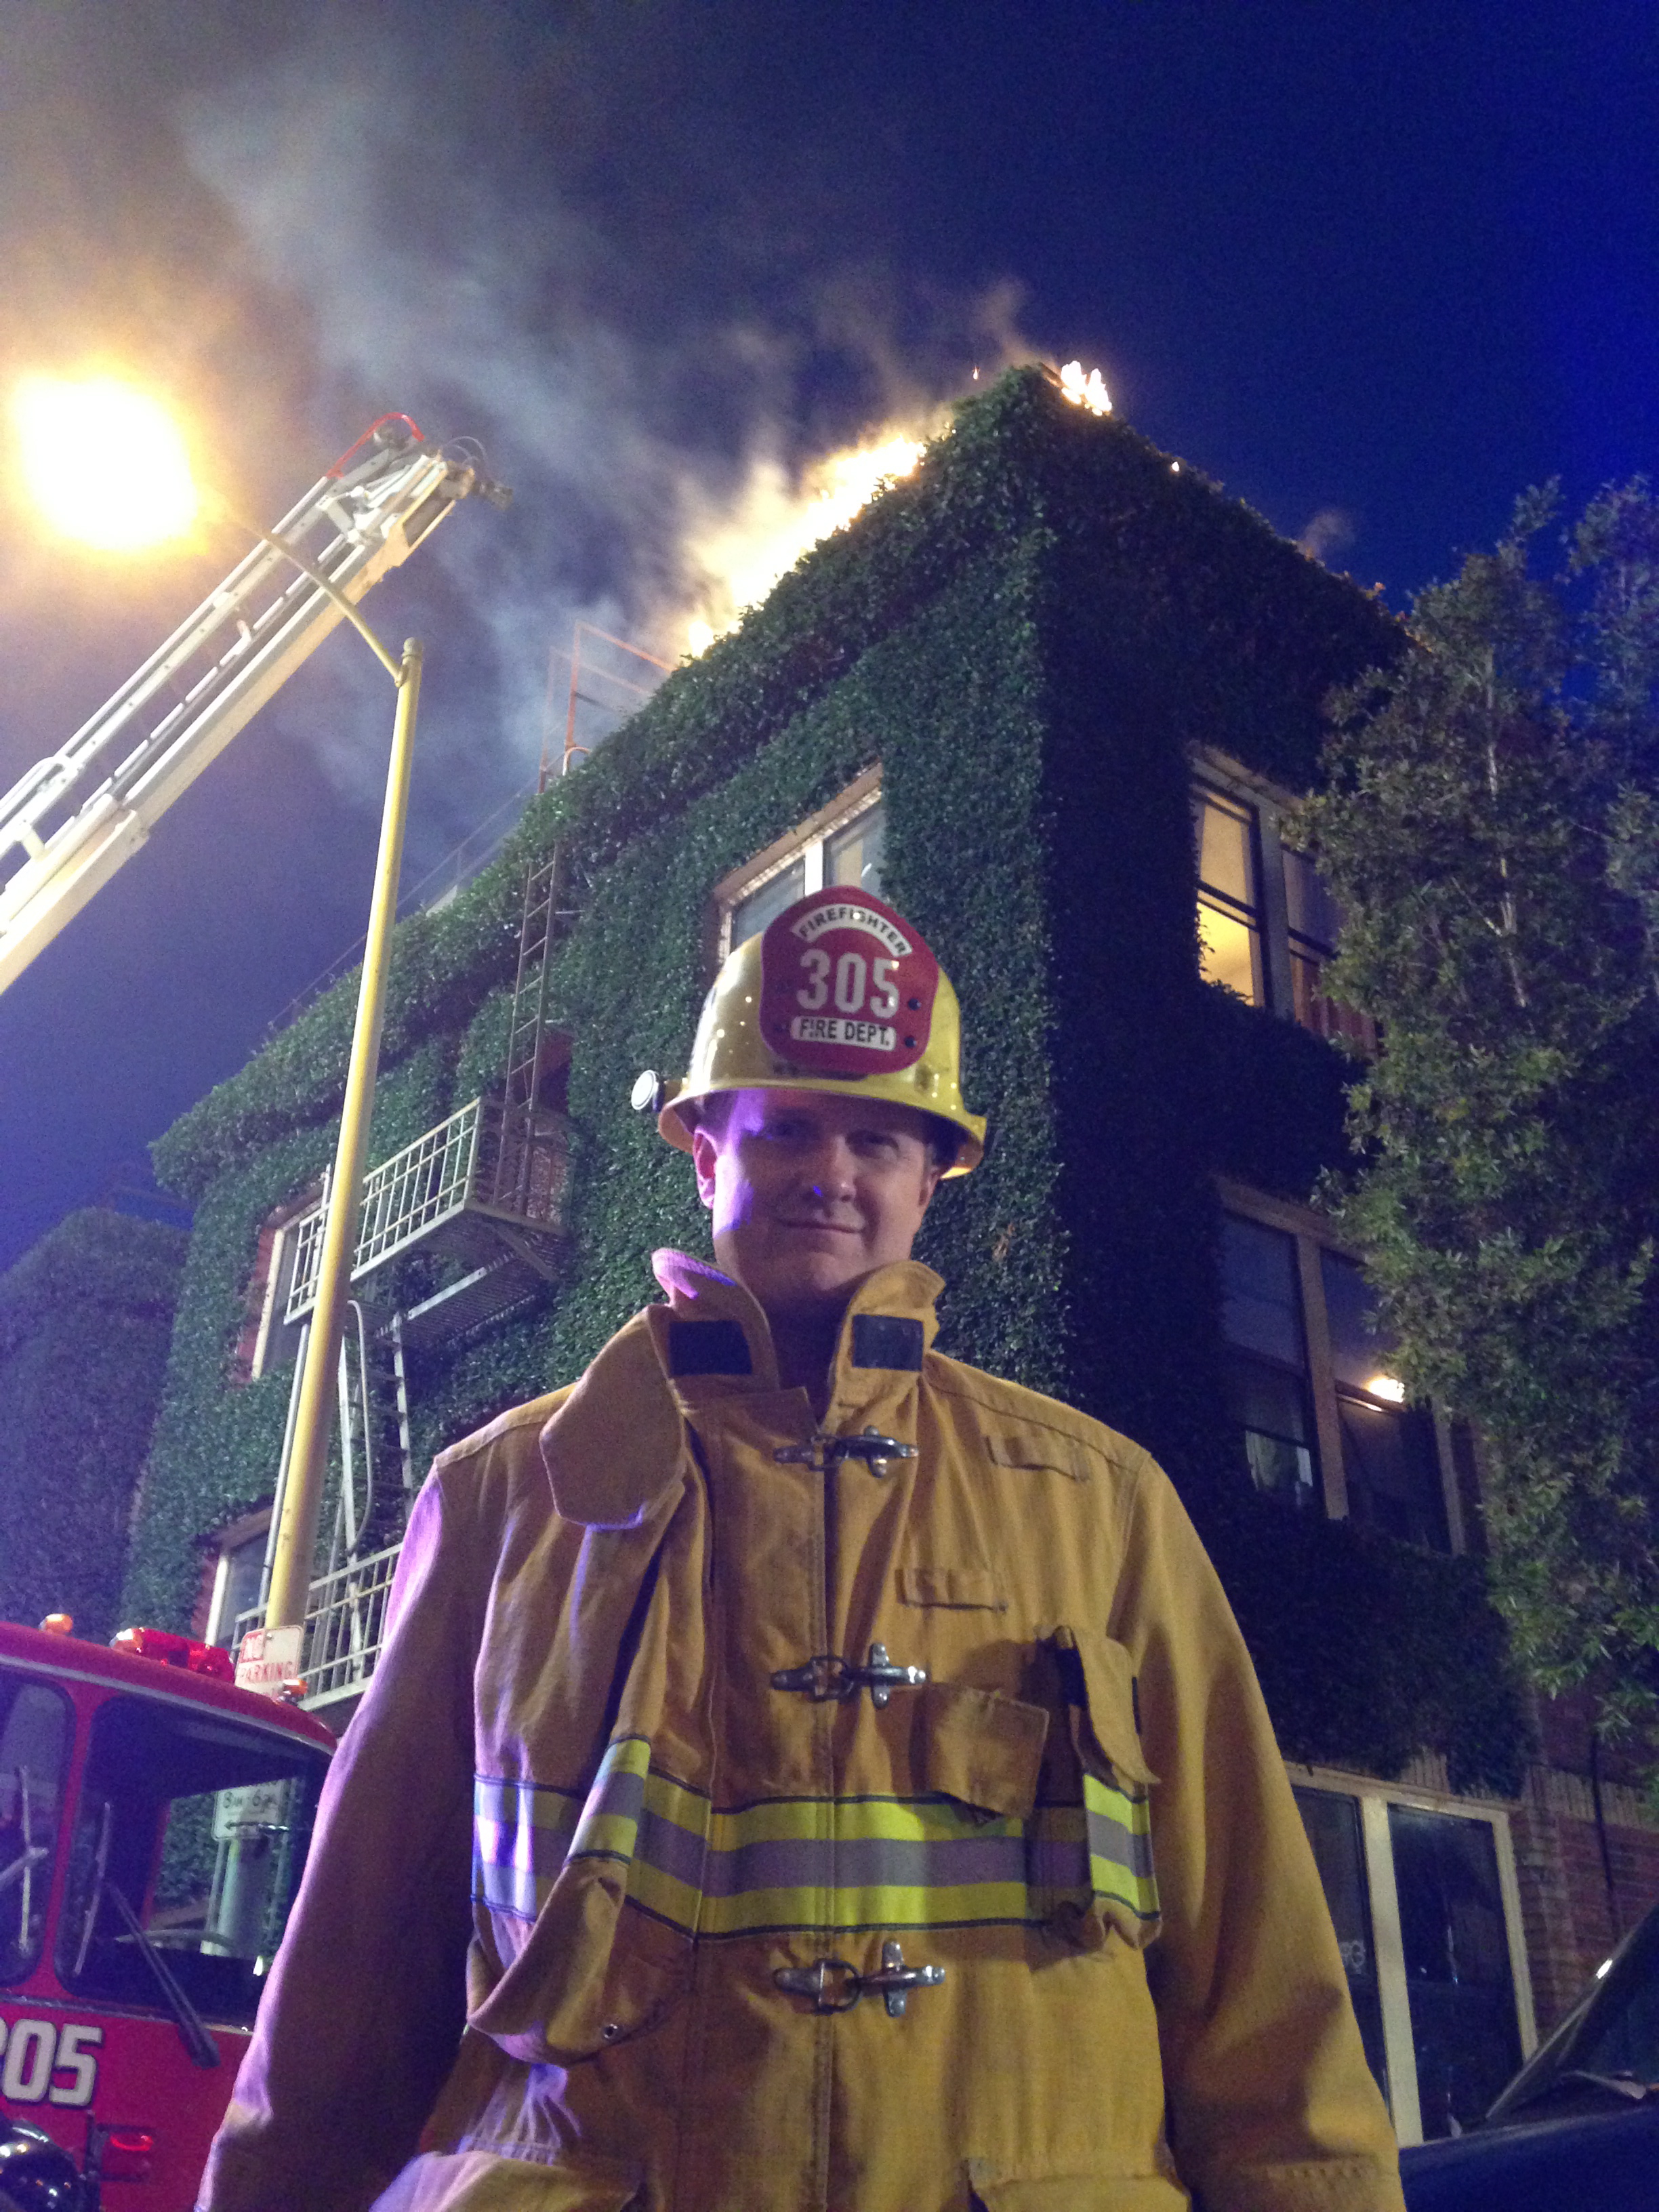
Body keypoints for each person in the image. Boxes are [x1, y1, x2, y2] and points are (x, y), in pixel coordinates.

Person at [199, 887, 1405, 2212]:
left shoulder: (1097, 1503)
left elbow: (1264, 1999)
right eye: (790, 1129)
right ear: (708, 1155)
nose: (834, 1172)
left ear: (933, 1178)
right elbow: (347, 1988)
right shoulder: (506, 1498)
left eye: (880, 1138)